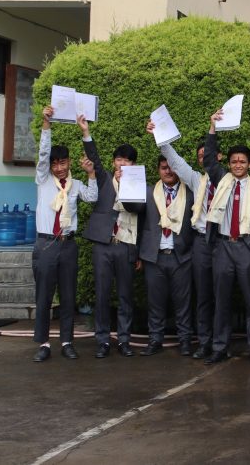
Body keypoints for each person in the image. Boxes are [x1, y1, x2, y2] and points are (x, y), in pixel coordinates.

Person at [202, 108, 250, 366]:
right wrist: (212, 128)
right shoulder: (221, 180)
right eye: (234, 161)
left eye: (242, 161)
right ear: (229, 164)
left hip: (245, 248)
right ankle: (220, 347)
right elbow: (209, 160)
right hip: (222, 247)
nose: (238, 165)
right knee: (221, 302)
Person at [31, 107, 98, 362]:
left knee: (68, 295)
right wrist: (46, 124)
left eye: (63, 163)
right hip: (46, 244)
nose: (59, 168)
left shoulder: (75, 185)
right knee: (44, 296)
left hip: (68, 245)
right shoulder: (43, 180)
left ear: (69, 163)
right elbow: (43, 153)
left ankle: (67, 341)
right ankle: (44, 344)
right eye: (55, 164)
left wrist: (91, 174)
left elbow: (92, 197)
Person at [152, 123, 217, 360]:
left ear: (218, 156)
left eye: (208, 154)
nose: (204, 159)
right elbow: (176, 161)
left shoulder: (229, 180)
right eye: (201, 156)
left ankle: (220, 343)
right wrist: (160, 136)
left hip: (221, 242)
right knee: (202, 297)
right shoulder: (197, 180)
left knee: (221, 295)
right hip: (201, 241)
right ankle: (204, 342)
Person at [81, 119, 142, 359]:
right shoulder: (104, 179)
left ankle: (124, 340)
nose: (122, 164)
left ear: (133, 164)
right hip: (103, 246)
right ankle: (103, 340)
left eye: (127, 161)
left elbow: (143, 218)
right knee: (102, 294)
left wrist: (138, 253)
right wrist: (86, 132)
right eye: (119, 160)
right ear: (113, 162)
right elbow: (93, 158)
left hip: (126, 246)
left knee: (126, 295)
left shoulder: (140, 187)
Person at [135, 154, 196, 358]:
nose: (168, 171)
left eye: (171, 168)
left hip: (182, 256)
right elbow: (137, 220)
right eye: (163, 168)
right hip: (155, 256)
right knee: (155, 302)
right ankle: (155, 340)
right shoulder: (148, 192)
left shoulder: (191, 192)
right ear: (158, 170)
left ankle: (185, 340)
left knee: (183, 303)